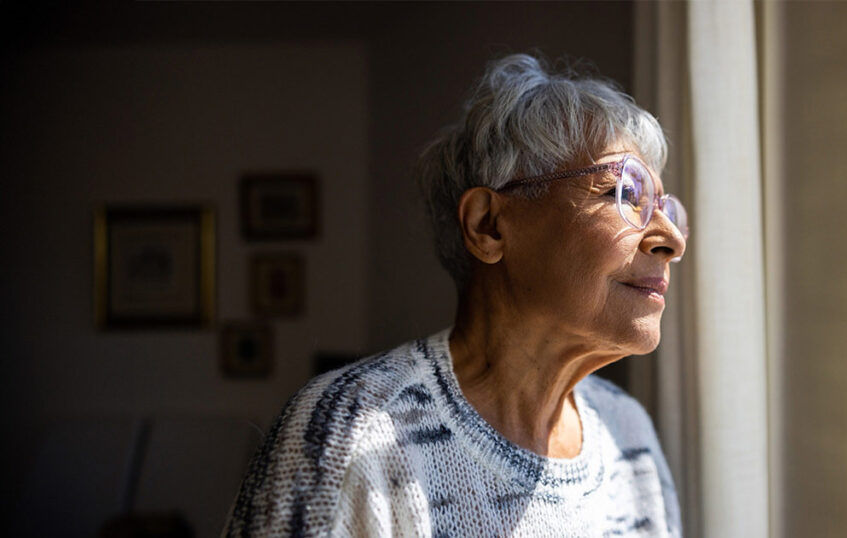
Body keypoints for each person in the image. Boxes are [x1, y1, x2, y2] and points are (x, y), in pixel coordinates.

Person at [223, 53, 688, 537]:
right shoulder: (349, 433)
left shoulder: (627, 433)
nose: (672, 240)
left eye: (666, 208)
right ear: (488, 226)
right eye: (623, 194)